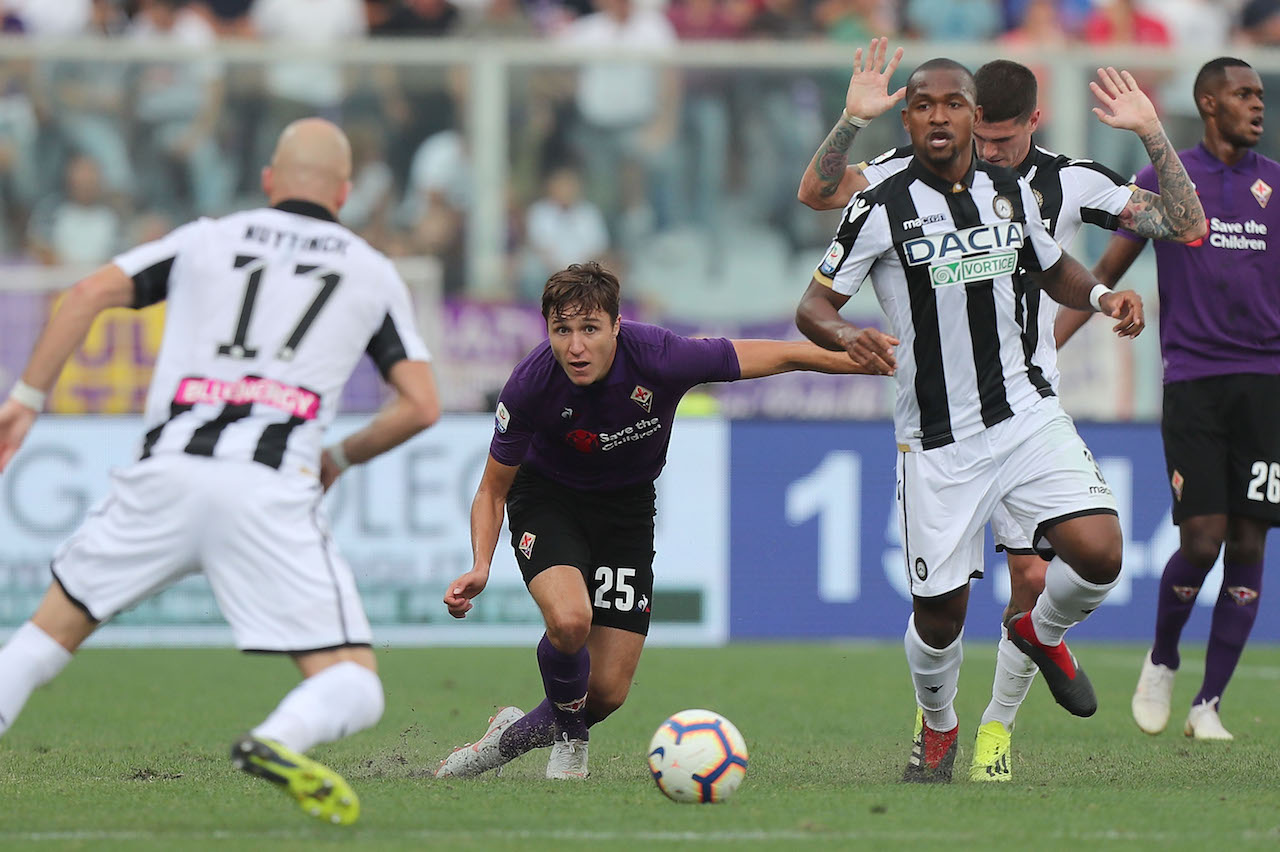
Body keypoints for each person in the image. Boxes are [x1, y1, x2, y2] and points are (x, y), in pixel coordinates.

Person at [0, 118, 441, 825]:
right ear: (346, 193)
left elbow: (83, 295)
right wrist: (335, 457)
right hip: (268, 489)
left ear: (268, 181)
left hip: (166, 473)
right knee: (355, 685)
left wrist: (25, 402)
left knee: (39, 641)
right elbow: (421, 405)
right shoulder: (370, 269)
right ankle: (276, 739)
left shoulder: (205, 238)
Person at [798, 42, 1205, 781]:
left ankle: (1034, 631)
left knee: (1101, 554)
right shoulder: (882, 198)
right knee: (940, 618)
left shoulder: (1019, 192)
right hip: (937, 440)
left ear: (980, 113)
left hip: (1026, 413)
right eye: (925, 105)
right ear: (912, 119)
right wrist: (848, 334)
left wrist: (1099, 295)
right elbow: (814, 294)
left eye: (956, 105)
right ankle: (942, 725)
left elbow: (1055, 265)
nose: (944, 119)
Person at [433, 260, 885, 781]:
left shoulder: (662, 357)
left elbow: (781, 355)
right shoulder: (531, 383)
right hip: (548, 500)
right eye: (562, 331)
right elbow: (493, 488)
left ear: (616, 325)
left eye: (589, 329)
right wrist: (481, 564)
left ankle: (505, 740)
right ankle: (572, 744)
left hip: (625, 511)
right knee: (570, 621)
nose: (575, 346)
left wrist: (861, 361)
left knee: (603, 693)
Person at [1058, 58, 1276, 742]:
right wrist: (1042, 351)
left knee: (1250, 539)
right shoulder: (1168, 179)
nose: (1257, 106)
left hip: (1267, 383)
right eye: (1244, 95)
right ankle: (1162, 658)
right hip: (1193, 382)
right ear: (1208, 103)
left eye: (1260, 96)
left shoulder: (1277, 182)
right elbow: (1104, 273)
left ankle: (1208, 704)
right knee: (1203, 537)